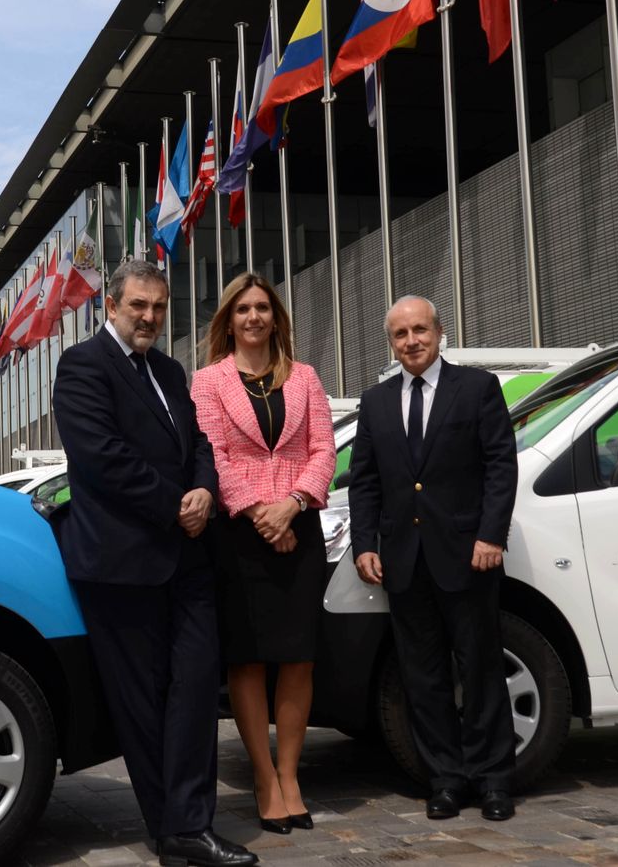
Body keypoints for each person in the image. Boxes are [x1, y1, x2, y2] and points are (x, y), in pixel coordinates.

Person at [52, 258, 256, 867]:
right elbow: (101, 458)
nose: (149, 317)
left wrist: (203, 491)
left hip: (187, 558)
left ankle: (191, 824)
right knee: (142, 706)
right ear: (110, 306)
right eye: (138, 305)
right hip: (120, 563)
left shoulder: (169, 371)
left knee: (194, 691)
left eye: (159, 307)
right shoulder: (82, 366)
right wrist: (175, 505)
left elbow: (198, 442)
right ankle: (172, 832)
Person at [346, 295, 520, 823]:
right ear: (391, 342)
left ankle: (493, 781)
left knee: (482, 668)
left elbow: (500, 466)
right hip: (405, 561)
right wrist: (366, 544)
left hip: (470, 557)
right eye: (401, 334)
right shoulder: (375, 402)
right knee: (422, 678)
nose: (412, 341)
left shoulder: (477, 388)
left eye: (420, 330)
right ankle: (445, 779)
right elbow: (365, 482)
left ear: (439, 332)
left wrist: (491, 535)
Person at [190, 274, 336, 835]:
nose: (254, 317)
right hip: (239, 530)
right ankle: (263, 777)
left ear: (276, 318)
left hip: (299, 525)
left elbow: (323, 448)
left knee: (298, 656)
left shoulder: (304, 377)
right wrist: (260, 513)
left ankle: (291, 775)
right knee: (248, 659)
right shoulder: (207, 382)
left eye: (263, 308)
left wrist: (293, 504)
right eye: (243, 309)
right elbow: (213, 454)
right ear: (229, 319)